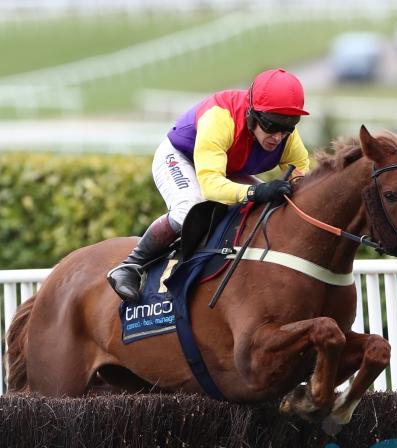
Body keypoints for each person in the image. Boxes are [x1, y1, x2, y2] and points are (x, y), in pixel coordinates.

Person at [107, 68, 311, 301]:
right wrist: (258, 190)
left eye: (287, 128)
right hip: (182, 158)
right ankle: (131, 265)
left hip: (225, 168)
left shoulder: (287, 138)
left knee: (269, 206)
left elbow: (302, 182)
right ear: (253, 115)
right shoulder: (220, 118)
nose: (277, 137)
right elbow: (212, 187)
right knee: (189, 208)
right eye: (271, 126)